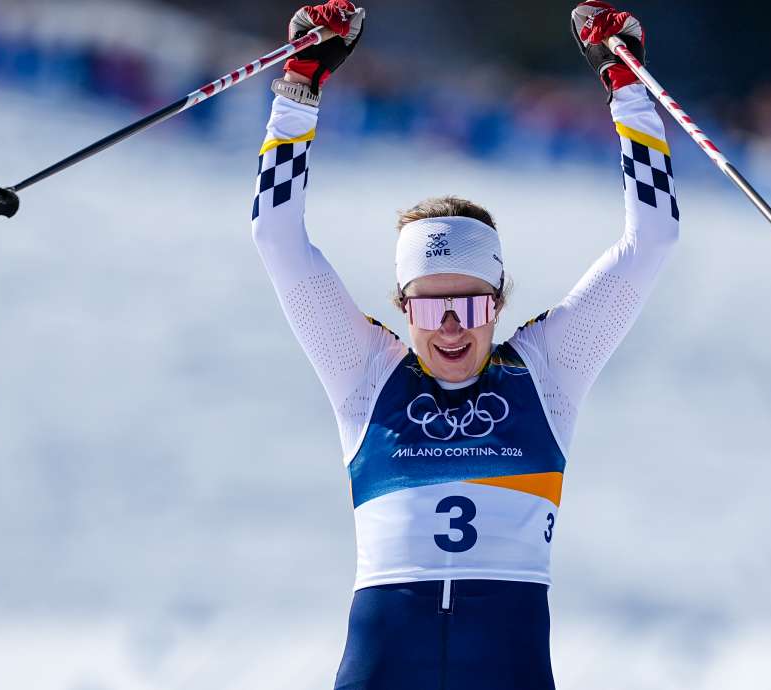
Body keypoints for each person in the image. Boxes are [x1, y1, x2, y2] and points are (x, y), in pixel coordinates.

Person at [251, 2, 678, 688]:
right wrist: (298, 87)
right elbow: (277, 238)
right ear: (402, 306)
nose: (452, 325)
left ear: (500, 303)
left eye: (472, 304)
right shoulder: (365, 372)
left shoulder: (547, 371)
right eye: (430, 305)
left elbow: (652, 239)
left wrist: (627, 88)